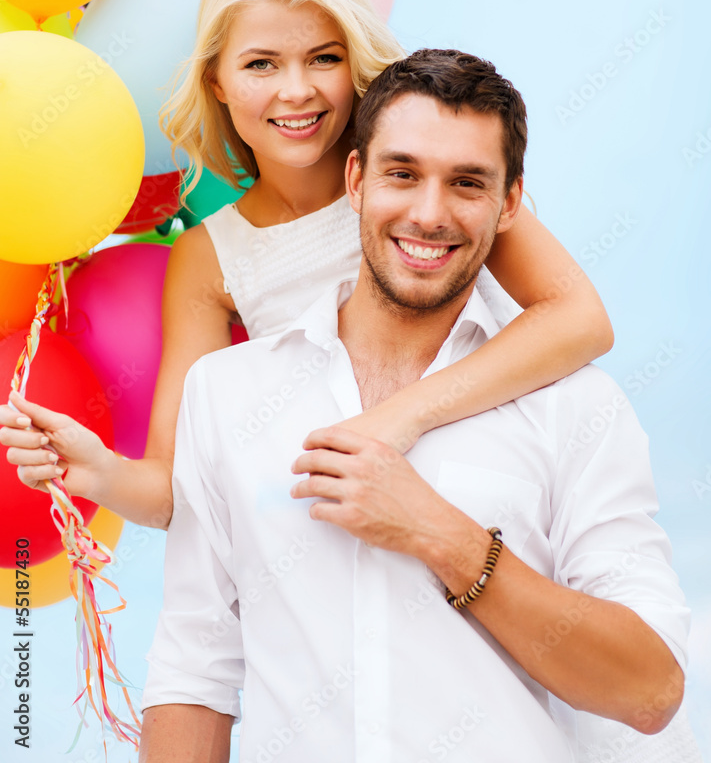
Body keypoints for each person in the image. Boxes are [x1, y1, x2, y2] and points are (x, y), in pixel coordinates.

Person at [138, 49, 691, 763]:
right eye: (402, 174)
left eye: (467, 183)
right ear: (356, 179)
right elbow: (194, 668)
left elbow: (647, 692)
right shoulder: (227, 394)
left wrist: (443, 536)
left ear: (510, 202)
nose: (429, 215)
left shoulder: (577, 409)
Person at [0, 0, 613, 531]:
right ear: (217, 80)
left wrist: (403, 417)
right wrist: (101, 472)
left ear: (354, 62)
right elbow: (177, 491)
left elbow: (580, 319)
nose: (297, 91)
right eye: (261, 64)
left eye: (324, 57)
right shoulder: (211, 256)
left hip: (503, 496)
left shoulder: (418, 170)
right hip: (347, 534)